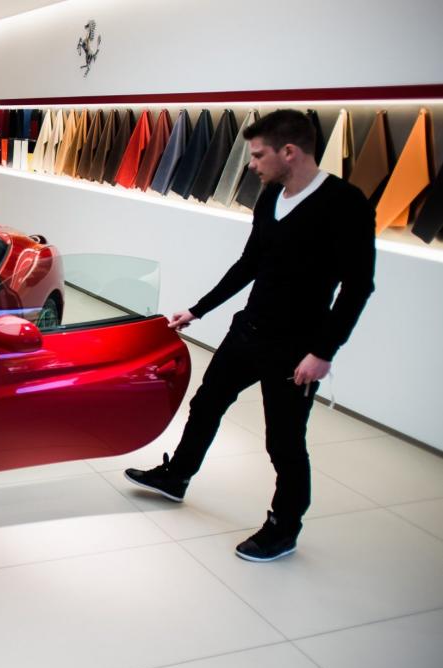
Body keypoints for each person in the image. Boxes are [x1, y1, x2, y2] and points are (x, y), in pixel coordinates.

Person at [124, 109, 375, 562]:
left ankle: (284, 527)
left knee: (283, 442)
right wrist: (199, 309)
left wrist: (323, 352)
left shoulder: (346, 204)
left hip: (297, 349)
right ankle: (177, 476)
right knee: (206, 405)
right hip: (249, 331)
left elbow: (359, 287)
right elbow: (250, 264)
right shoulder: (271, 197)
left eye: (258, 155)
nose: (252, 164)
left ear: (290, 152)